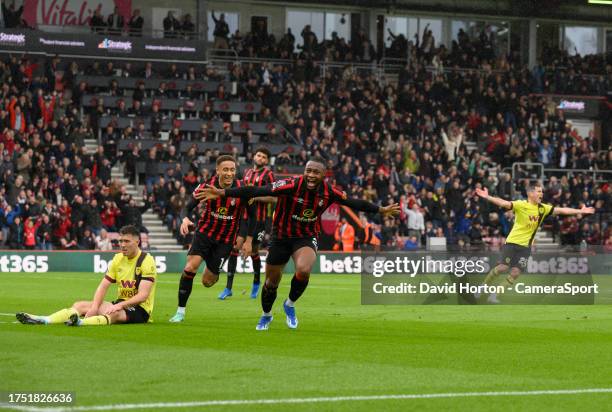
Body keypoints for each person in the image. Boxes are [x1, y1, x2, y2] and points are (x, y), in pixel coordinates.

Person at [198, 157, 400, 330]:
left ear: (323, 175)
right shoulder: (290, 185)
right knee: (271, 283)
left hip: (306, 236)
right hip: (280, 237)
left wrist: (380, 210)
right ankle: (266, 315)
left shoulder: (329, 192)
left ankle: (290, 304)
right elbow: (256, 189)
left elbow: (354, 202)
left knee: (303, 270)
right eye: (308, 171)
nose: (311, 175)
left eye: (316, 172)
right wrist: (223, 193)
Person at [475, 182, 594, 303]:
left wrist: (580, 211)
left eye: (542, 191)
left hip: (526, 247)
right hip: (512, 242)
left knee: (515, 273)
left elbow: (561, 210)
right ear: (530, 193)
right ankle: (482, 287)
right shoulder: (521, 205)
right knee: (502, 268)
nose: (541, 193)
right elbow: (504, 203)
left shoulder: (543, 208)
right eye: (538, 191)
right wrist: (487, 197)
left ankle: (494, 295)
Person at [16, 225, 157, 326]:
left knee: (113, 314)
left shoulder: (146, 260)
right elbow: (103, 286)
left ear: (137, 242)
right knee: (81, 305)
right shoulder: (117, 259)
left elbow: (143, 296)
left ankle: (81, 322)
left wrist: (120, 305)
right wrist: (95, 307)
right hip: (121, 303)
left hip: (140, 309)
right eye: (120, 241)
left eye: (126, 241)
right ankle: (45, 320)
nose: (122, 245)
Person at [169, 155, 253, 323]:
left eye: (232, 170)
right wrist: (184, 218)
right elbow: (187, 206)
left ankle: (213, 268)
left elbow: (252, 216)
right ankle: (180, 312)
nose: (229, 173)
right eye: (226, 170)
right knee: (190, 268)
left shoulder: (243, 189)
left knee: (208, 282)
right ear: (218, 170)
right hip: (205, 234)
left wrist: (248, 240)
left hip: (226, 240)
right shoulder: (207, 186)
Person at [219, 147, 276, 300]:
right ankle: (228, 287)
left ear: (267, 161)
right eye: (259, 155)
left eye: (264, 157)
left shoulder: (269, 175)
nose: (261, 158)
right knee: (235, 247)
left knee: (253, 252)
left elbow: (274, 198)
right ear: (254, 156)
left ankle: (256, 283)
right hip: (243, 217)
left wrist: (254, 197)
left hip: (259, 219)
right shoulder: (246, 173)